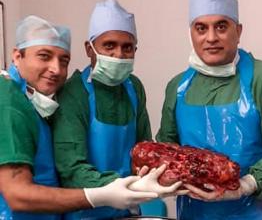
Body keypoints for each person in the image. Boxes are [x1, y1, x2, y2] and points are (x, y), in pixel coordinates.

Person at [156, 0, 262, 220]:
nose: (211, 37)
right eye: (201, 28)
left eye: (221, 26)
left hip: (258, 214)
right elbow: (168, 149)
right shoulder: (178, 87)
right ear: (191, 32)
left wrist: (246, 184)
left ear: (238, 30)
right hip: (194, 214)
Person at [0, 15, 161, 220]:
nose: (56, 69)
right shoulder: (8, 100)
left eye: (63, 60)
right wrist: (100, 195)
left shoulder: (33, 103)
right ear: (16, 56)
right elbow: (17, 195)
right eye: (44, 56)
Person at [51, 0, 182, 220]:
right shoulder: (73, 93)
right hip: (84, 211)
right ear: (89, 49)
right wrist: (120, 188)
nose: (119, 55)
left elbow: (144, 151)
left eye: (127, 47)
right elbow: (71, 169)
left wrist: (156, 176)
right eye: (109, 45)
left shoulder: (134, 88)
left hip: (127, 210)